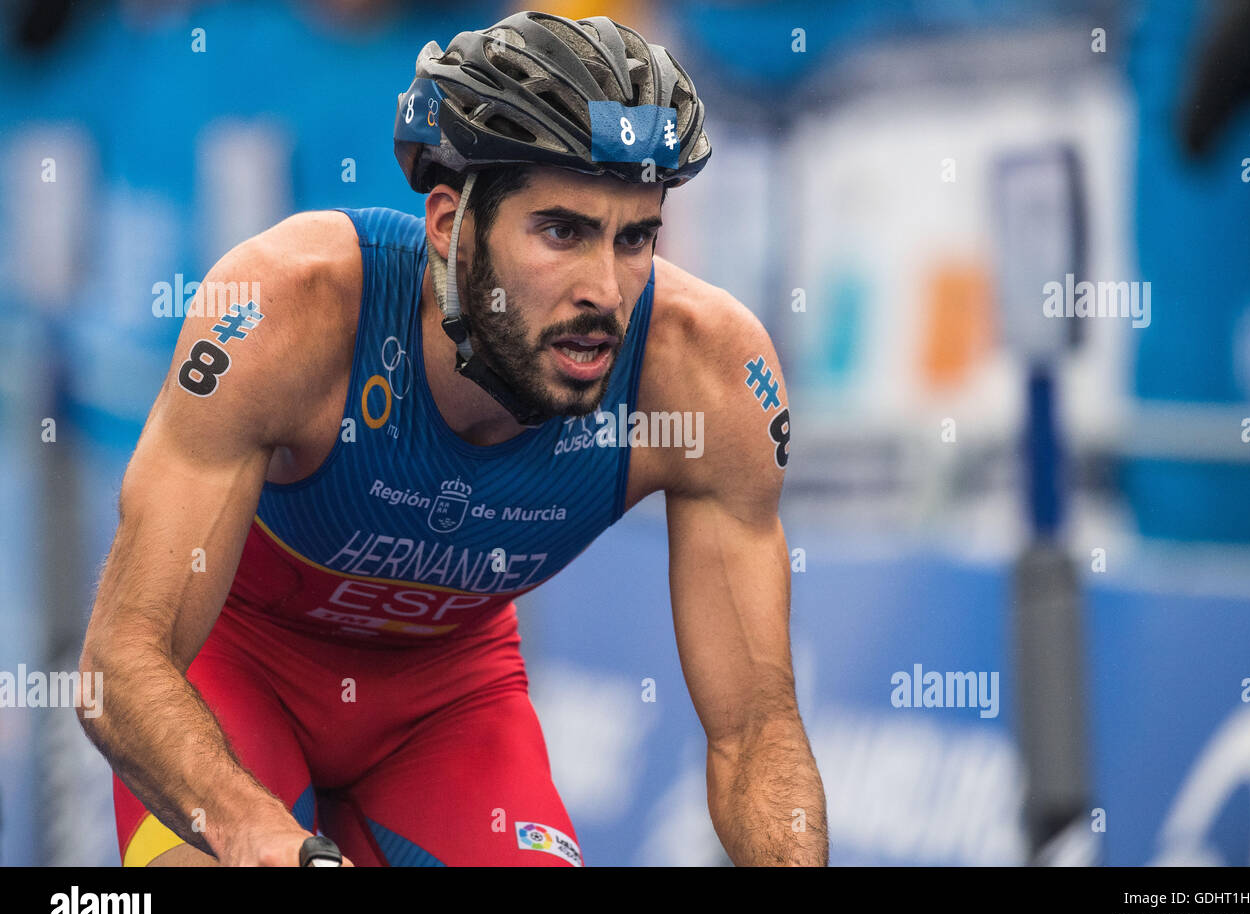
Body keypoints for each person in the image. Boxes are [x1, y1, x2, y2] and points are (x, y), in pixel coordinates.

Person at [76, 10, 826, 867]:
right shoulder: (290, 309)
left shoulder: (705, 374)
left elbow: (754, 729)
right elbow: (119, 663)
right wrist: (262, 838)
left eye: (636, 238)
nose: (606, 291)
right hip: (229, 672)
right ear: (448, 224)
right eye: (562, 231)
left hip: (448, 707)